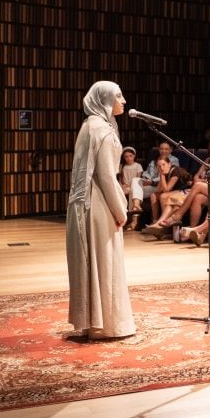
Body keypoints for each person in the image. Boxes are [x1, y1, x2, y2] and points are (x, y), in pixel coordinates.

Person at [66, 81, 136, 340]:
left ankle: (92, 322)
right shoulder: (103, 131)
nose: (124, 101)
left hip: (83, 203)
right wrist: (121, 211)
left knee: (92, 263)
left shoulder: (89, 126)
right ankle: (109, 325)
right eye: (119, 96)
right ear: (105, 99)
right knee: (105, 263)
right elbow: (107, 176)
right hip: (98, 204)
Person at [119, 147, 143, 231]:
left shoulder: (138, 166)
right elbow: (122, 180)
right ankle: (120, 219)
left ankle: (134, 219)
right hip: (126, 186)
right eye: (126, 156)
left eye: (130, 156)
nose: (128, 158)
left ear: (134, 156)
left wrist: (130, 186)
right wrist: (124, 185)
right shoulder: (123, 167)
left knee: (132, 192)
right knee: (119, 194)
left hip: (135, 185)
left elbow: (138, 179)